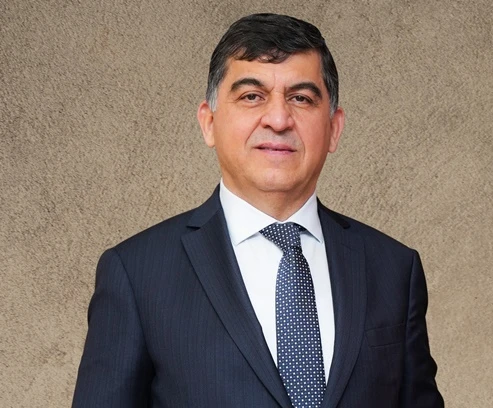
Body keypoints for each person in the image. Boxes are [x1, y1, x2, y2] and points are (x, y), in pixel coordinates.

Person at [72, 13, 444, 408]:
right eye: (252, 96)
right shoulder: (137, 273)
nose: (279, 119)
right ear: (209, 122)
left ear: (334, 129)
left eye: (301, 98)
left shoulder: (393, 269)